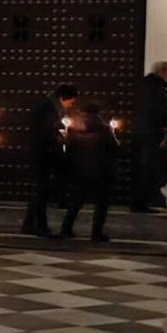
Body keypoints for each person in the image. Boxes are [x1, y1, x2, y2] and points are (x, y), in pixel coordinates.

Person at [23, 84, 78, 237]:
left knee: (40, 191)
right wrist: (59, 138)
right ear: (62, 98)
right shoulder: (47, 108)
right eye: (70, 102)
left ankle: (30, 223)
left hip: (43, 153)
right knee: (41, 191)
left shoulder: (48, 106)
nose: (70, 105)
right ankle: (39, 226)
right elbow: (45, 131)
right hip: (42, 154)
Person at [61, 102, 118, 242]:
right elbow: (114, 148)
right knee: (101, 204)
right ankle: (96, 233)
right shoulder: (104, 129)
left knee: (76, 201)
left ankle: (66, 229)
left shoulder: (74, 128)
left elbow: (68, 148)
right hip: (101, 170)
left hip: (80, 170)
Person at [132, 61, 167, 211]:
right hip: (153, 134)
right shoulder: (156, 89)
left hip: (144, 133)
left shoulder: (147, 86)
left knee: (145, 169)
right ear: (163, 72)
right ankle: (142, 202)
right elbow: (160, 111)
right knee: (149, 169)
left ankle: (140, 202)